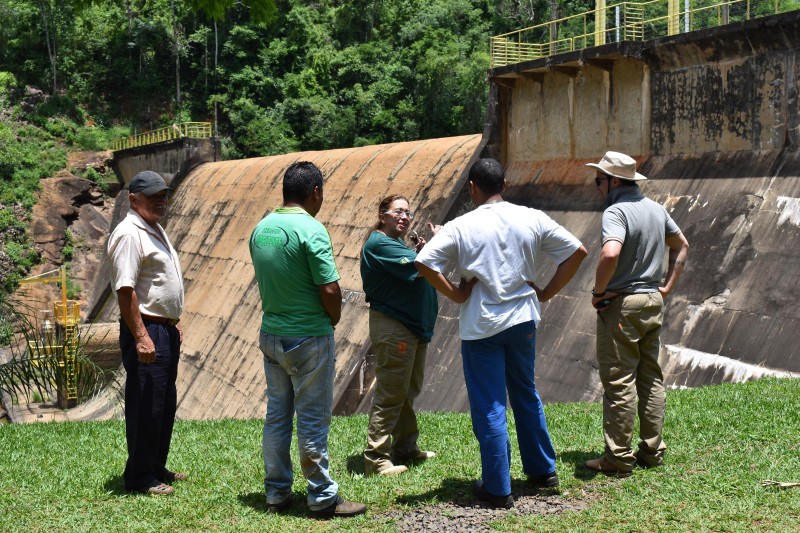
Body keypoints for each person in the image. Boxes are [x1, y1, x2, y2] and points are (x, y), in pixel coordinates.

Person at [415, 158, 587, 509]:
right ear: (504, 185)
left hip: (482, 326)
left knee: (490, 404)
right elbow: (577, 252)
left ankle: (497, 487)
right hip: (523, 320)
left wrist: (456, 294)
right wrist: (546, 292)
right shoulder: (531, 217)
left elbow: (424, 262)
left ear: (472, 188)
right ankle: (543, 471)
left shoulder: (460, 226)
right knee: (525, 392)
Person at [249, 161, 366, 519]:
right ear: (315, 192)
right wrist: (333, 318)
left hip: (271, 335)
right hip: (308, 337)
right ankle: (322, 497)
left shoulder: (261, 228)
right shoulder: (311, 230)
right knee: (312, 420)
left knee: (277, 417)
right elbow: (329, 289)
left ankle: (276, 492)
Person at [584, 151, 689, 477]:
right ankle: (652, 451)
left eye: (599, 180)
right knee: (650, 377)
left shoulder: (616, 211)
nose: (596, 186)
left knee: (619, 380)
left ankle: (618, 459)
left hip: (623, 305)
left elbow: (610, 253)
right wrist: (667, 287)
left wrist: (598, 292)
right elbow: (682, 245)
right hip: (652, 301)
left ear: (614, 182)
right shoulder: (656, 209)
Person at [107, 170, 186, 496]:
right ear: (133, 199)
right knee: (146, 403)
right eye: (154, 196)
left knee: (163, 402)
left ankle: (154, 465)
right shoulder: (129, 234)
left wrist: (170, 321)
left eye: (164, 195)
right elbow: (125, 290)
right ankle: (139, 476)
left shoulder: (151, 227)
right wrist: (142, 335)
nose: (161, 201)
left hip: (163, 329)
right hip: (146, 328)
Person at [361, 195, 438, 476]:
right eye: (398, 212)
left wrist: (421, 251)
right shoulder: (380, 244)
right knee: (392, 392)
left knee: (407, 390)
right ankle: (376, 458)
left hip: (411, 327)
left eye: (408, 212)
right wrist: (437, 244)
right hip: (396, 327)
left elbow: (416, 265)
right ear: (383, 216)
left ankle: (405, 447)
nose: (404, 217)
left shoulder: (395, 245)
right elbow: (421, 267)